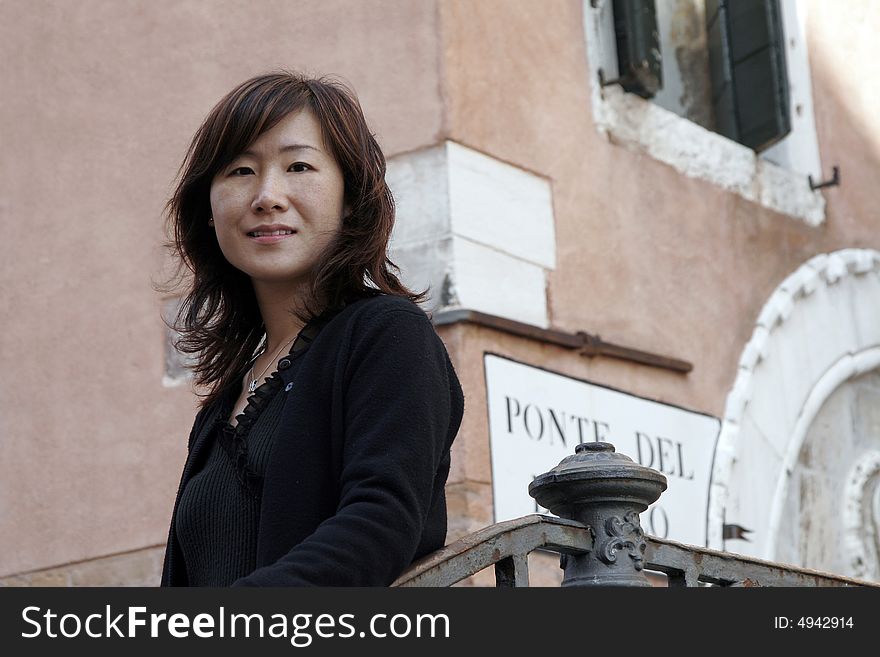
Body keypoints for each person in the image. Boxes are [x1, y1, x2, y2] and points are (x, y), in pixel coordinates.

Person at [159, 71, 464, 586]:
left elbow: (380, 525)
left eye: (299, 166)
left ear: (350, 198)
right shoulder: (224, 401)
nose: (267, 196)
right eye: (238, 171)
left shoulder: (388, 335)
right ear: (208, 212)